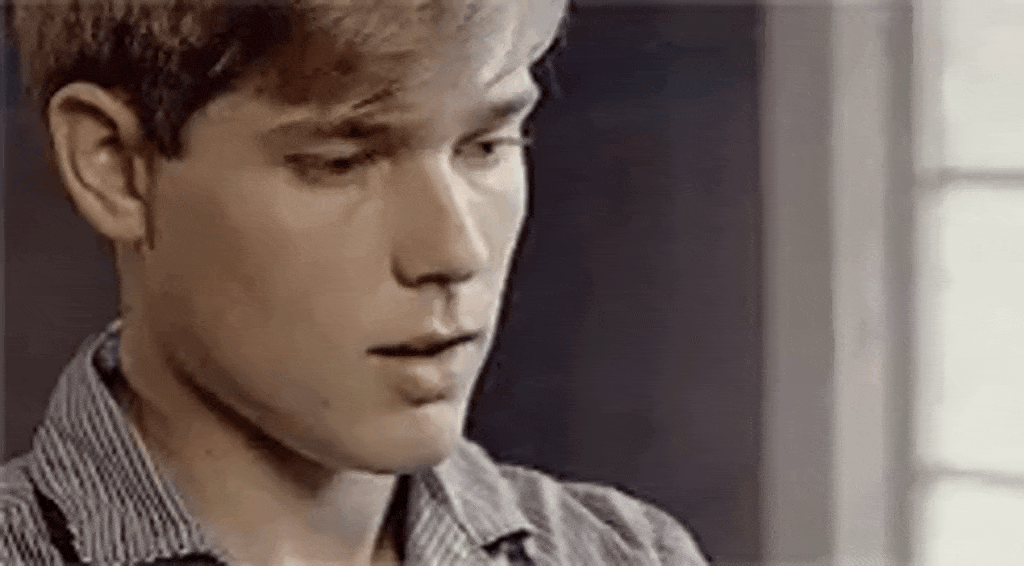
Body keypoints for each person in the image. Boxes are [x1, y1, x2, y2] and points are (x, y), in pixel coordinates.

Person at [0, 1, 710, 564]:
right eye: (340, 162)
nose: (454, 252)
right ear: (115, 165)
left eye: (486, 145)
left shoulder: (623, 553)